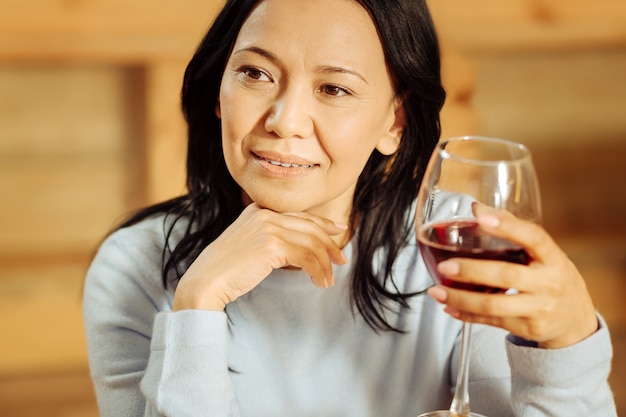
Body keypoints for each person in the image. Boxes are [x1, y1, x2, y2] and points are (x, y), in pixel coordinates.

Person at [82, 0, 617, 415]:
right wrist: (196, 307)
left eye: (334, 88)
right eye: (255, 73)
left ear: (395, 122)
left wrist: (567, 347)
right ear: (219, 90)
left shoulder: (452, 248)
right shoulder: (134, 266)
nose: (285, 120)